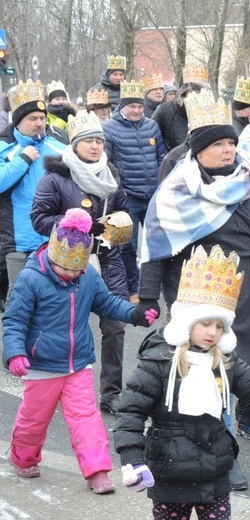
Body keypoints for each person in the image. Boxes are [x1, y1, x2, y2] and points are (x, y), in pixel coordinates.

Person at [136, 88, 250, 487]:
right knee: (197, 374)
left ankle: (224, 450)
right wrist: (148, 296)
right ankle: (201, 451)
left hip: (246, 293)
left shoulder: (248, 182)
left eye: (232, 142)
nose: (228, 150)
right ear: (198, 149)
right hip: (195, 294)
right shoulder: (176, 187)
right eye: (218, 143)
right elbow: (156, 244)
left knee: (231, 375)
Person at [114, 245, 250, 520]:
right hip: (170, 476)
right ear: (187, 321)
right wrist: (132, 459)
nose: (213, 332)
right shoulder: (159, 362)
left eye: (220, 326)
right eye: (206, 323)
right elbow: (130, 413)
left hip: (215, 472)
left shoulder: (225, 362)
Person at [2, 208, 155, 493]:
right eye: (67, 268)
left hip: (78, 364)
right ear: (53, 256)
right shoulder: (30, 279)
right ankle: (23, 459)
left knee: (86, 418)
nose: (72, 273)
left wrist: (134, 314)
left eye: (78, 268)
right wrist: (15, 353)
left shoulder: (87, 276)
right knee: (34, 419)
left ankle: (97, 470)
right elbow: (14, 320)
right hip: (42, 366)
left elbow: (108, 303)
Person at [31, 109, 132, 415]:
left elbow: (123, 219)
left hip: (107, 262)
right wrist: (78, 223)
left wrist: (114, 231)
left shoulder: (111, 175)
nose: (94, 146)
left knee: (115, 329)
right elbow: (39, 219)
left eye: (99, 141)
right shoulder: (56, 177)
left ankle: (111, 394)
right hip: (65, 265)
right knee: (64, 328)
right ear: (74, 145)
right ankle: (58, 386)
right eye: (88, 141)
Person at [0, 80, 65, 305]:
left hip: (55, 239)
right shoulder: (5, 148)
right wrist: (23, 160)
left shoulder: (60, 149)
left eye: (41, 118)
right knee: (20, 304)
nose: (39, 123)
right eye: (32, 119)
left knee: (55, 303)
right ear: (18, 122)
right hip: (19, 242)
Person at [103, 80, 166, 300]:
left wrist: (162, 184)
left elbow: (161, 156)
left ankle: (155, 283)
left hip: (153, 195)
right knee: (127, 244)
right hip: (127, 197)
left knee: (157, 241)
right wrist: (120, 190)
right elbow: (108, 164)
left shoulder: (152, 126)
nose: (137, 110)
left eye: (140, 106)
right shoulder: (109, 129)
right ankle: (132, 287)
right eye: (132, 106)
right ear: (122, 107)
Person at [152, 65, 208, 152]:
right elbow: (153, 138)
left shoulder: (209, 111)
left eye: (200, 93)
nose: (196, 97)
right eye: (193, 93)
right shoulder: (164, 111)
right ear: (185, 93)